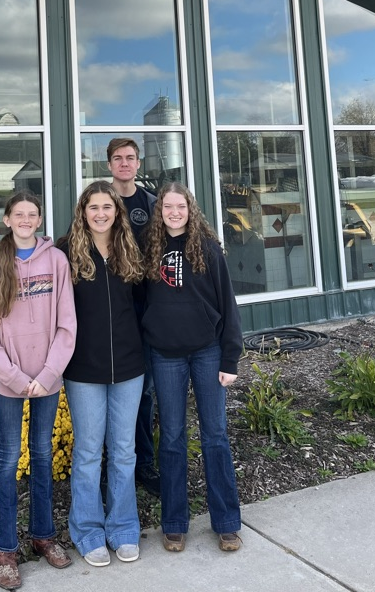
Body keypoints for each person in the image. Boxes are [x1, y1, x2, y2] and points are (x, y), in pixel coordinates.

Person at [0, 191, 77, 591]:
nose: (25, 220)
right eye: (18, 214)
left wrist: (49, 373)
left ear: (39, 220)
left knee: (41, 455)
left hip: (48, 378)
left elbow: (67, 324)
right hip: (9, 382)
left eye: (32, 214)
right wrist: (16, 378)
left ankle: (43, 535)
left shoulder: (56, 261)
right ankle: (6, 548)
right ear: (6, 219)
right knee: (7, 459)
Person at [142, 182, 243, 554]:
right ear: (160, 211)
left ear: (190, 209)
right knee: (170, 438)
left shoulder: (208, 248)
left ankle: (227, 523)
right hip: (165, 354)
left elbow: (228, 305)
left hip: (207, 352)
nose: (174, 212)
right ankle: (174, 523)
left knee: (215, 436)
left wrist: (230, 357)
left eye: (180, 206)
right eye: (167, 206)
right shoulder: (148, 248)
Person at [59, 180, 144, 567]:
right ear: (83, 211)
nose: (100, 214)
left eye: (106, 207)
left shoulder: (130, 249)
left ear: (116, 211)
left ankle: (124, 527)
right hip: (83, 369)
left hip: (129, 365)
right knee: (89, 452)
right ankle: (88, 531)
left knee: (125, 452)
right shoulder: (66, 253)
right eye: (93, 207)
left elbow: (144, 305)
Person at [106, 138, 159, 497]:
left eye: (130, 158)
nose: (124, 164)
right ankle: (118, 463)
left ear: (138, 164)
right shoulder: (98, 201)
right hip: (111, 310)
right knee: (117, 389)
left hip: (150, 308)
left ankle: (144, 463)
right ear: (109, 164)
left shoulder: (151, 204)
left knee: (146, 391)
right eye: (118, 159)